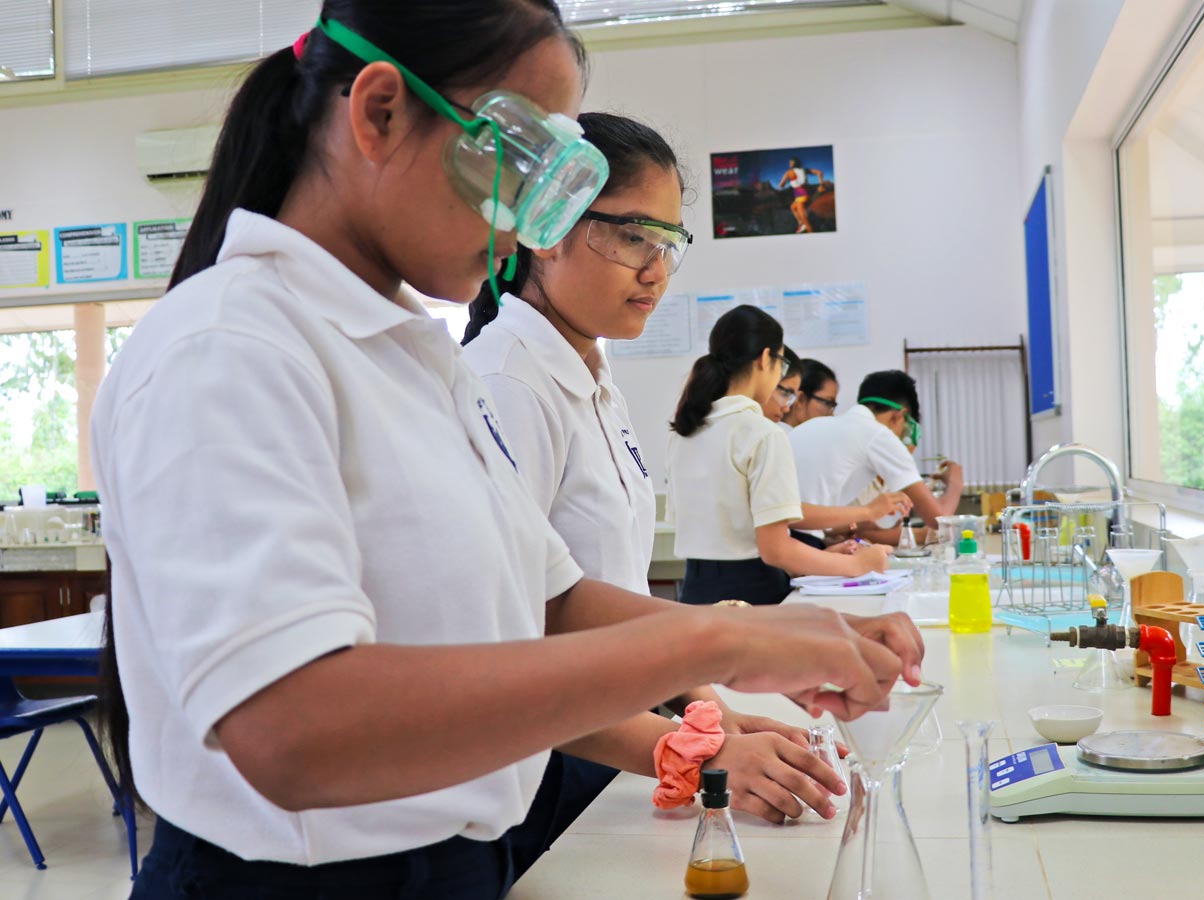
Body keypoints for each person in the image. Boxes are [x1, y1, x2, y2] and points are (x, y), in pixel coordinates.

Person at [90, 6, 922, 897]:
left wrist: (753, 642)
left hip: (452, 863)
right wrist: (712, 640)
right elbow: (290, 730)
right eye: (519, 164)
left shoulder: (414, 356)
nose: (530, 217)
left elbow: (550, 601)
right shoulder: (229, 347)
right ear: (378, 113)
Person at [462, 112, 842, 824]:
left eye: (668, 242)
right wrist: (690, 746)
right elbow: (523, 631)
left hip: (615, 731)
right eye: (632, 235)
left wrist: (712, 715)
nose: (656, 269)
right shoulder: (505, 382)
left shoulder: (592, 376)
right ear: (544, 226)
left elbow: (610, 594)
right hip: (547, 755)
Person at [666, 306, 894, 606]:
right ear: (765, 359)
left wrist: (822, 558)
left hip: (695, 592)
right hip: (752, 595)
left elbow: (734, 536)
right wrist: (858, 565)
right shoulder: (761, 432)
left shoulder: (685, 430)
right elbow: (776, 550)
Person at [789, 370, 966, 547]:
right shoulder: (879, 435)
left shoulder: (818, 425)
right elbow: (939, 521)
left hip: (778, 535)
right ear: (898, 416)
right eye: (905, 431)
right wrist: (955, 484)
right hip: (800, 541)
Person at [783, 357, 839, 428]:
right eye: (827, 403)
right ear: (800, 398)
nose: (831, 415)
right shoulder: (778, 436)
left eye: (832, 406)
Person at [777, 156, 827, 234]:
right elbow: (819, 172)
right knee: (793, 207)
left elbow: (781, 185)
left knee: (805, 220)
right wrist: (821, 184)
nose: (789, 164)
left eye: (791, 162)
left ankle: (810, 231)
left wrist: (783, 183)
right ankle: (801, 223)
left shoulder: (789, 172)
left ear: (793, 164)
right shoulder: (804, 170)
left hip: (800, 194)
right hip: (805, 192)